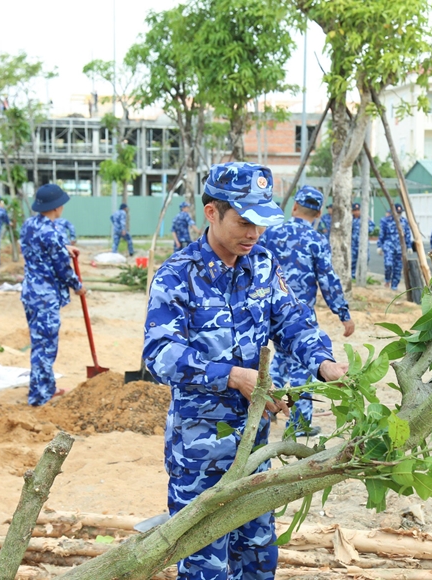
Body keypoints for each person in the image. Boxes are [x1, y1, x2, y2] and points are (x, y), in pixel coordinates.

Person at [143, 162, 348, 580]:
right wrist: (233, 376)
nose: (254, 233)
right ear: (212, 213)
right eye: (244, 221)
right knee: (204, 564)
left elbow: (293, 321)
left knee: (256, 558)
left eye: (261, 222)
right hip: (199, 452)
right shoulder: (177, 275)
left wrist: (323, 362)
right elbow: (159, 353)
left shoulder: (264, 266)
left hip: (253, 448)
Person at [260, 185, 354, 437]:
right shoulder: (316, 240)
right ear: (319, 213)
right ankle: (298, 425)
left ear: (294, 207)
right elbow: (328, 280)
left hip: (270, 312)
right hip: (299, 318)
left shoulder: (271, 233)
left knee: (279, 359)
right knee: (303, 368)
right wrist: (343, 313)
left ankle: (263, 408)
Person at [20, 184, 86, 406]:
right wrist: (78, 286)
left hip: (30, 293)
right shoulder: (53, 231)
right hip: (45, 297)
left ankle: (46, 387)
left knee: (39, 343)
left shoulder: (29, 225)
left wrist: (63, 247)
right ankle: (38, 396)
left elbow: (41, 247)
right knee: (45, 347)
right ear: (57, 208)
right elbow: (63, 268)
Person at [378, 203, 412, 291]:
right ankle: (387, 279)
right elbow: (382, 234)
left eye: (400, 212)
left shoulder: (404, 222)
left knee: (398, 268)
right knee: (388, 265)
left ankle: (394, 287)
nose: (399, 214)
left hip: (400, 248)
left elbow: (407, 235)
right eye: (397, 212)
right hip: (389, 246)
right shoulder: (385, 221)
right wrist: (379, 246)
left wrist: (409, 246)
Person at [351, 202, 375, 280]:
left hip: (363, 243)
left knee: (365, 258)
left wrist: (365, 231)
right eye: (355, 210)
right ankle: (353, 276)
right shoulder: (350, 218)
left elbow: (372, 226)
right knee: (352, 260)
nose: (357, 212)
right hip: (353, 243)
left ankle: (362, 275)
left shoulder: (365, 218)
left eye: (358, 210)